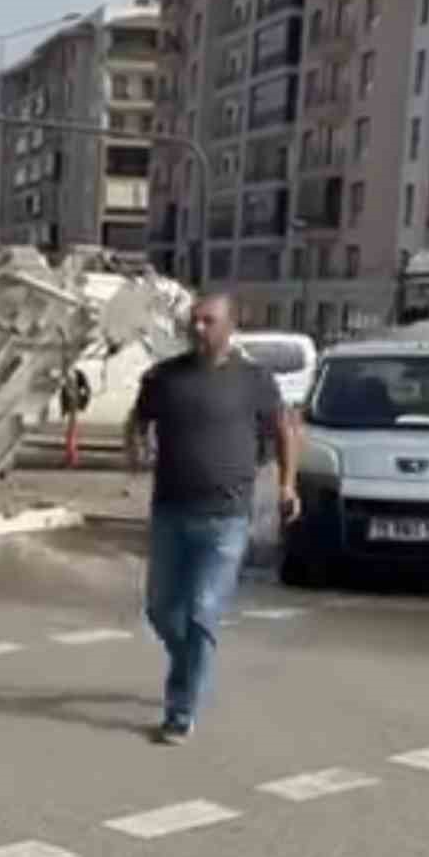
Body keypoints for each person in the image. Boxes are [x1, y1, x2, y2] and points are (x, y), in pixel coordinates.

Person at [127, 294, 300, 745]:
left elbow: (284, 430)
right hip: (171, 512)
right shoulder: (165, 377)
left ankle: (180, 711)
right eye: (194, 321)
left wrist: (287, 485)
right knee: (162, 610)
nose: (198, 328)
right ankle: (188, 665)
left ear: (230, 326)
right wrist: (136, 446)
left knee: (202, 611)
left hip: (226, 519)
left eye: (208, 321)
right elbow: (138, 419)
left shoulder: (254, 380)